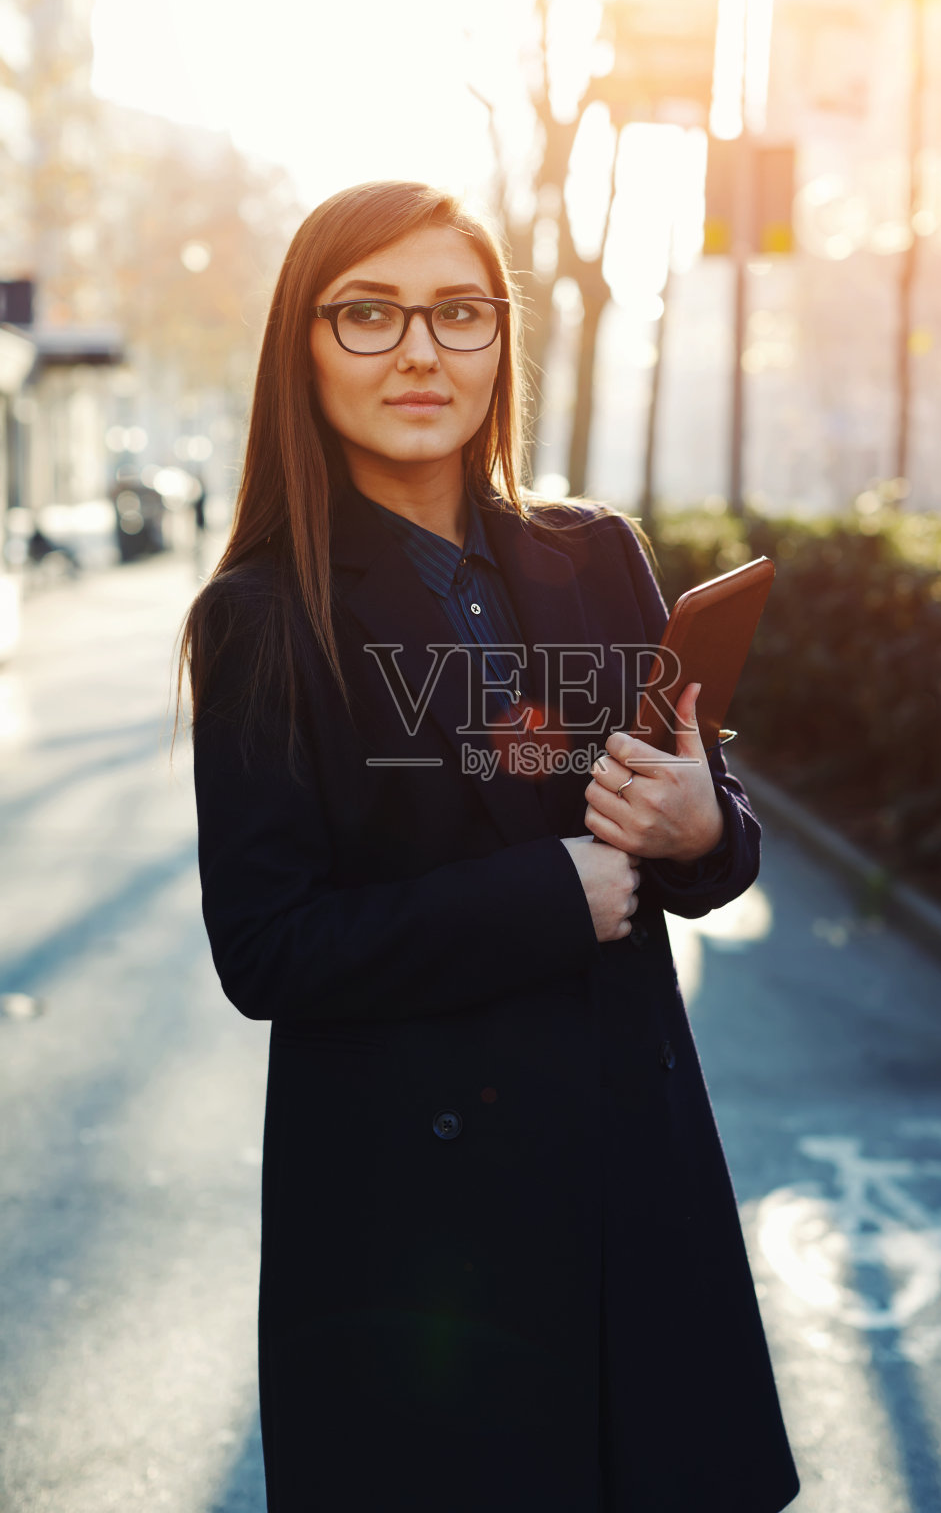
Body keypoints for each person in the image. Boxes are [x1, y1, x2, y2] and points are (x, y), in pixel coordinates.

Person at [179, 180, 799, 1513]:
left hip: (634, 1190)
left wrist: (701, 830)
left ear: (501, 341)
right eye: (370, 315)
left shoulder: (595, 559)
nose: (420, 351)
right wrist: (542, 897)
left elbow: (712, 838)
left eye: (458, 312)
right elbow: (267, 947)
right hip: (421, 1245)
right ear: (304, 343)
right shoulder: (262, 619)